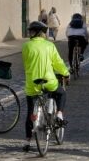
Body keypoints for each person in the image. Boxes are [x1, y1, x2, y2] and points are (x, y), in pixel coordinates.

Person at [21, 20, 70, 152]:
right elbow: (58, 63)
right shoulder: (50, 45)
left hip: (33, 83)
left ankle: (27, 141)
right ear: (42, 33)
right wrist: (65, 73)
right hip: (49, 81)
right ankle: (59, 114)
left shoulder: (26, 46)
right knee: (61, 93)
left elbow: (26, 65)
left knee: (31, 112)